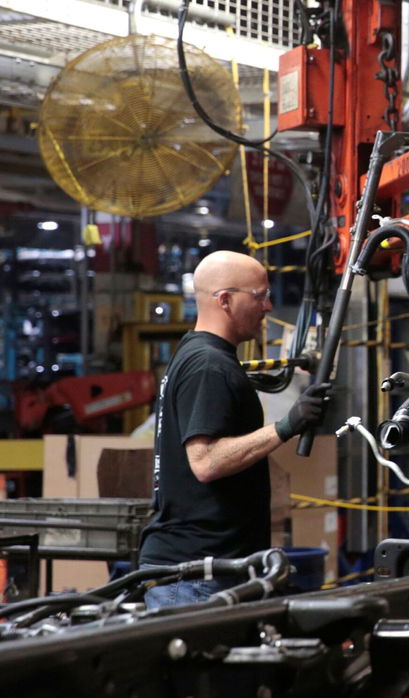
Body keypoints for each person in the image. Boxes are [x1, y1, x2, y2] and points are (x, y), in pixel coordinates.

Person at [139, 250, 331, 609]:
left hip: (207, 567)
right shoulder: (208, 366)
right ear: (224, 300)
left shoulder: (201, 355)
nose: (269, 306)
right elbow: (206, 461)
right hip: (197, 574)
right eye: (260, 296)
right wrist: (288, 426)